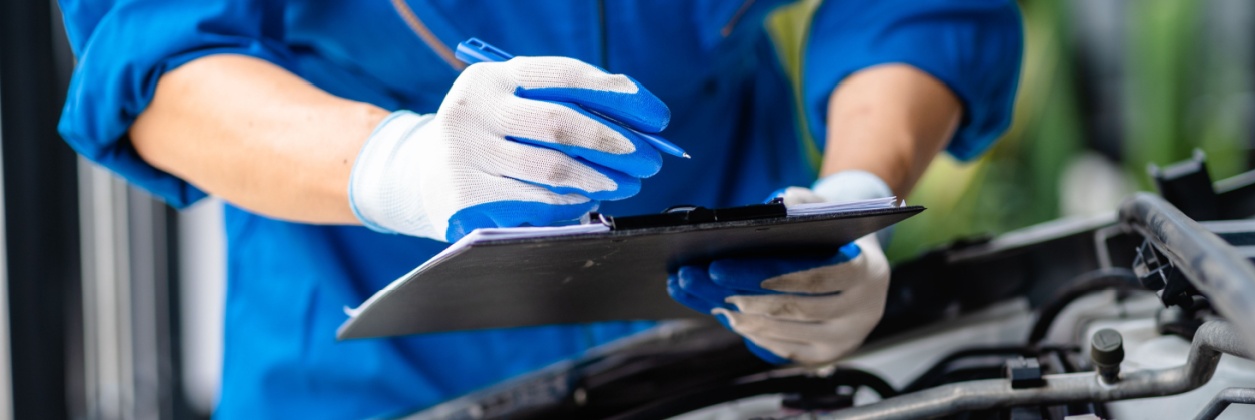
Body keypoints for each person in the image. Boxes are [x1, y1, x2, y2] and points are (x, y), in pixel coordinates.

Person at [56, 0, 1022, 417]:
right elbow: (159, 61)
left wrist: (852, 191)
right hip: (367, 354)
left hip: (726, 344)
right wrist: (404, 164)